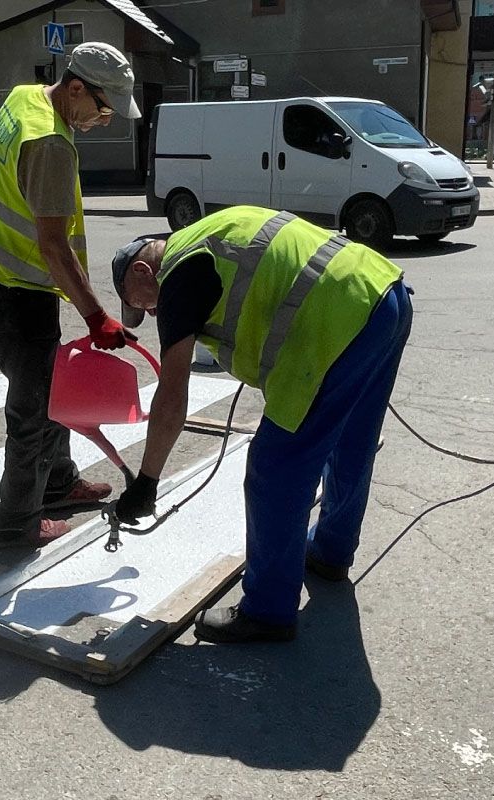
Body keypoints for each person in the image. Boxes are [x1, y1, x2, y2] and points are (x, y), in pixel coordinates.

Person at [110, 206, 413, 643]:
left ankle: (268, 611)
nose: (152, 313)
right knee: (351, 441)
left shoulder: (179, 273)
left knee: (275, 468)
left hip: (336, 322)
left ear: (143, 271)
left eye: (142, 303)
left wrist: (147, 480)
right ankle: (331, 551)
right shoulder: (211, 234)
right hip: (383, 294)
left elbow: (172, 395)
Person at [0, 42, 142, 549]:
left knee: (52, 388)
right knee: (33, 409)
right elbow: (54, 247)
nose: (105, 120)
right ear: (75, 87)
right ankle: (17, 522)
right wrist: (97, 315)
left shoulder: (25, 97)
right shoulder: (51, 143)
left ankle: (57, 483)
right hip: (17, 288)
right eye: (103, 109)